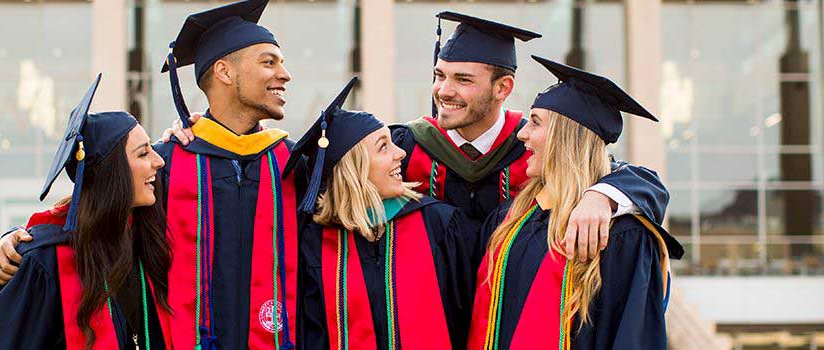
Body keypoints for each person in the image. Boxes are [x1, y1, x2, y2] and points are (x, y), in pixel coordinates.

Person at [0, 1, 300, 349]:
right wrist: (20, 240)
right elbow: (99, 213)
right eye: (269, 62)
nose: (285, 74)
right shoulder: (169, 163)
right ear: (225, 72)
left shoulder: (295, 165)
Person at [390, 12, 670, 261]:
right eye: (440, 76)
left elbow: (635, 179)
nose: (444, 91)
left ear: (503, 88)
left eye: (463, 79)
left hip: (507, 308)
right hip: (429, 310)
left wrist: (601, 196)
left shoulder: (535, 146)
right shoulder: (408, 146)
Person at [0, 75, 172, 350]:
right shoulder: (46, 261)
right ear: (113, 173)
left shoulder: (144, 238)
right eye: (144, 154)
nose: (159, 161)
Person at [466, 56, 684, 350]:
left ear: (566, 136)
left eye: (535, 123)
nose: (522, 134)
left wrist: (602, 196)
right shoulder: (508, 221)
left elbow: (633, 337)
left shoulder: (622, 235)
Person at [292, 77, 482, 350]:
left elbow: (471, 324)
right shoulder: (315, 243)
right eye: (384, 147)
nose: (400, 153)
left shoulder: (441, 226)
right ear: (354, 170)